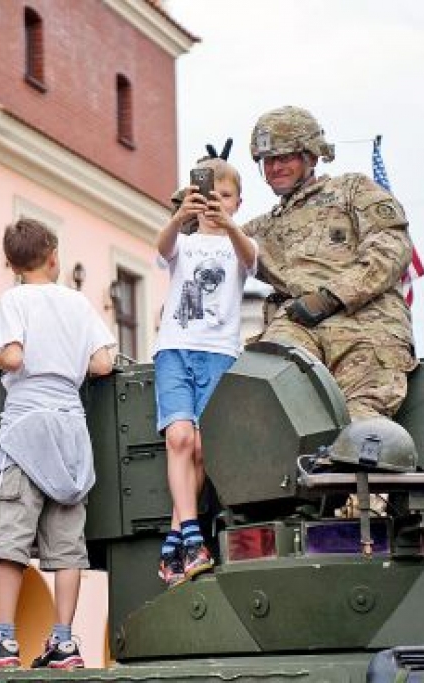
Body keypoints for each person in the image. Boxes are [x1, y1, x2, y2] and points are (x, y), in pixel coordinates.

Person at [0, 218, 115, 671]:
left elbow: (13, 357)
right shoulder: (77, 302)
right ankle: (64, 641)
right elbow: (103, 364)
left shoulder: (14, 299)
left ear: (10, 264)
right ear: (54, 258)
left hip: (26, 428)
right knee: (68, 545)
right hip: (70, 429)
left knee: (12, 538)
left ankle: (5, 641)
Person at [242, 106, 416, 420]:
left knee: (362, 424)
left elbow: (391, 248)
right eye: (268, 160)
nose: (276, 167)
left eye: (286, 157)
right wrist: (200, 200)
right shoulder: (263, 228)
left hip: (364, 325)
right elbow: (211, 247)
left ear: (311, 155)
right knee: (271, 393)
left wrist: (331, 296)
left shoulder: (352, 190)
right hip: (298, 327)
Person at [154, 158, 258, 588]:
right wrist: (180, 218)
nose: (217, 202)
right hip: (175, 348)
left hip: (219, 353)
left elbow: (252, 261)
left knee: (200, 449)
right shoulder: (185, 241)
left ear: (238, 201)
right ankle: (193, 537)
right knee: (178, 437)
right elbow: (162, 251)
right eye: (208, 194)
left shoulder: (239, 243)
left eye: (226, 196)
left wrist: (230, 225)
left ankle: (174, 540)